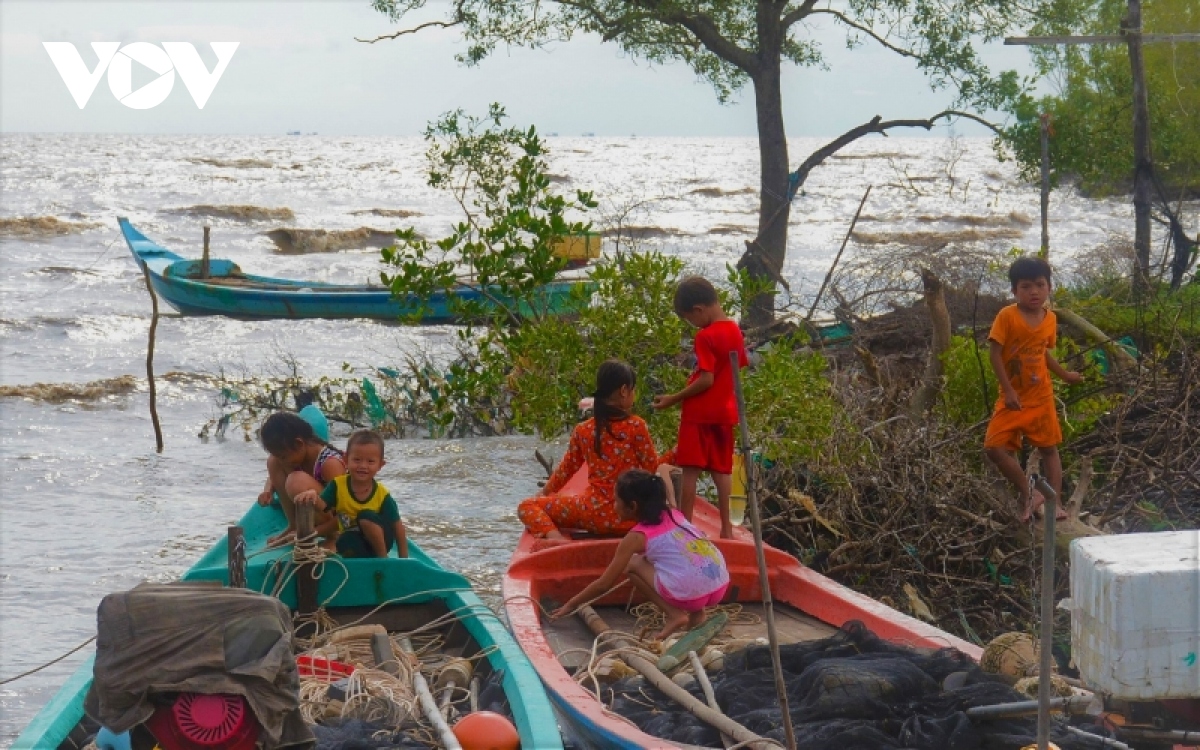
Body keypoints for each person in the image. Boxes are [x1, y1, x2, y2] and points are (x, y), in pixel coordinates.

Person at [551, 469, 730, 639]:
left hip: (690, 596)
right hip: (720, 583)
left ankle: (675, 615)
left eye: (616, 501)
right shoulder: (674, 512)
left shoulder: (637, 537)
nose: (614, 506)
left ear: (632, 506)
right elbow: (664, 479)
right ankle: (696, 616)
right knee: (679, 563)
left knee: (633, 565)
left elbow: (604, 584)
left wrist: (571, 604)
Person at [518, 360, 668, 540]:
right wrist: (674, 455)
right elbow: (653, 469)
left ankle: (555, 538)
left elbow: (566, 470)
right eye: (633, 389)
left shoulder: (584, 430)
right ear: (623, 391)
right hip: (629, 517)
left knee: (527, 506)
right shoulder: (637, 426)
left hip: (592, 514)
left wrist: (544, 493)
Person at [984, 256, 1083, 522]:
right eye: (1026, 286)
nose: (1034, 292)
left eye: (1040, 285)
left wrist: (1065, 374)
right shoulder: (1007, 316)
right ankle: (1028, 493)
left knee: (1050, 449)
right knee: (994, 448)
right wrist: (1009, 391)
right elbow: (995, 355)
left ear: (1049, 287)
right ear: (1014, 291)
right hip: (1013, 398)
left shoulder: (1049, 319)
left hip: (1041, 397)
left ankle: (1055, 503)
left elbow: (1043, 354)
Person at [652, 276, 748, 539]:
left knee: (690, 470)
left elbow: (706, 378)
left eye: (689, 319)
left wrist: (673, 398)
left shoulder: (705, 336)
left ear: (699, 310)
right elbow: (736, 368)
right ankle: (727, 529)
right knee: (722, 470)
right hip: (724, 412)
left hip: (698, 413)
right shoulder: (735, 331)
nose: (692, 324)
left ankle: (686, 527)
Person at [295, 430, 408, 558]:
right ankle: (359, 560)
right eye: (357, 460)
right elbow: (323, 507)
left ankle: (382, 560)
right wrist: (313, 496)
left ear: (380, 465)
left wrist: (404, 560)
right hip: (356, 539)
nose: (363, 466)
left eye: (370, 461)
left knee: (365, 517)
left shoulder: (382, 495)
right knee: (344, 540)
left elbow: (398, 527)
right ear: (346, 459)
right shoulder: (338, 485)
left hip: (381, 541)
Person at [257, 412, 346, 545]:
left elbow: (347, 514)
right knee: (273, 462)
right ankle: (294, 525)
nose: (283, 461)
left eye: (283, 456)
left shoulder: (330, 464)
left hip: (337, 521)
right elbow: (272, 477)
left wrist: (315, 532)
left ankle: (332, 537)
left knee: (296, 481)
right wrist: (268, 491)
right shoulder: (295, 457)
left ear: (299, 444)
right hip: (316, 510)